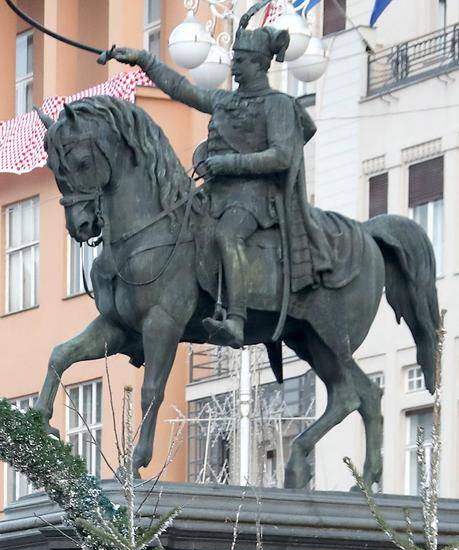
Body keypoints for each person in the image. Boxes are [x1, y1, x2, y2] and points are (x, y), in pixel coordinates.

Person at [105, 16, 331, 348]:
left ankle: (237, 319)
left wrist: (228, 162)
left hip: (256, 197)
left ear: (259, 64)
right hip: (216, 194)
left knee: (228, 234)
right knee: (177, 231)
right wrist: (144, 60)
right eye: (234, 60)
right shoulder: (225, 101)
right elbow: (182, 90)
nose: (234, 67)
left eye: (239, 61)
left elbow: (282, 156)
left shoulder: (278, 105)